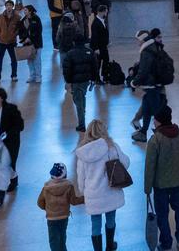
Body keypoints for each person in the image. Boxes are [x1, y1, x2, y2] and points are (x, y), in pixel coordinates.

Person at [145, 105, 179, 251]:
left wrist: (147, 188)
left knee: (162, 214)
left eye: (155, 119)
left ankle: (166, 243)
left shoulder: (155, 140)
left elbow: (149, 167)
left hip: (160, 185)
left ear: (159, 121)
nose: (153, 121)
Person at [74, 119, 130, 251]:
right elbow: (126, 163)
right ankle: (110, 246)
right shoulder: (112, 147)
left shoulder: (83, 153)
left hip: (93, 195)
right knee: (111, 219)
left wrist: (83, 191)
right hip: (111, 191)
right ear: (104, 131)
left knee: (95, 224)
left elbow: (80, 177)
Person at [132, 29, 172, 144]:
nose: (137, 42)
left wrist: (134, 82)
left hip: (152, 86)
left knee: (157, 111)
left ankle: (163, 135)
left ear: (143, 39)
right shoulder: (153, 47)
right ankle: (143, 132)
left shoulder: (146, 51)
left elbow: (144, 70)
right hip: (155, 85)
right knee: (146, 107)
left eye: (138, 40)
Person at [38, 162, 85, 251]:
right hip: (64, 217)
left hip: (51, 219)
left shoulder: (46, 188)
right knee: (62, 237)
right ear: (65, 175)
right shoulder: (68, 186)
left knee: (53, 239)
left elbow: (40, 203)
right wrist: (85, 199)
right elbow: (74, 201)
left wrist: (48, 209)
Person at [62, 37, 98, 132]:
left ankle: (82, 124)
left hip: (76, 81)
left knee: (78, 101)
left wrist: (68, 81)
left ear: (74, 42)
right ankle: (83, 112)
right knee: (82, 97)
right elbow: (95, 66)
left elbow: (66, 69)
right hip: (85, 81)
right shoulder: (89, 52)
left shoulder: (70, 54)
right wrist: (94, 79)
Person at [0, 1, 20, 82]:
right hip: (2, 42)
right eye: (7, 5)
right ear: (5, 6)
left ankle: (14, 75)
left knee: (14, 59)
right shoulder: (0, 17)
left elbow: (20, 27)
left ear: (12, 6)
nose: (8, 7)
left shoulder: (17, 17)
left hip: (12, 42)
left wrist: (15, 34)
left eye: (10, 5)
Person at [18, 4, 45, 84]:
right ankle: (32, 75)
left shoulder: (36, 19)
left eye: (26, 10)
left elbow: (39, 31)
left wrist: (30, 38)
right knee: (29, 60)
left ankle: (38, 76)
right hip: (27, 44)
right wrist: (23, 38)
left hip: (36, 43)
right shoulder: (23, 20)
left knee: (37, 60)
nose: (24, 11)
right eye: (24, 10)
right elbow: (21, 31)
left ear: (30, 11)